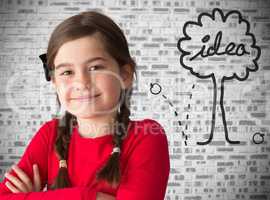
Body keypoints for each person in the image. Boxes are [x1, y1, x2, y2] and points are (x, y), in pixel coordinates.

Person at [0, 11, 170, 200]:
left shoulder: (147, 136)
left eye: (95, 67)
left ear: (125, 75)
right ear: (55, 82)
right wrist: (89, 196)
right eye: (67, 72)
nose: (81, 83)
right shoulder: (50, 135)